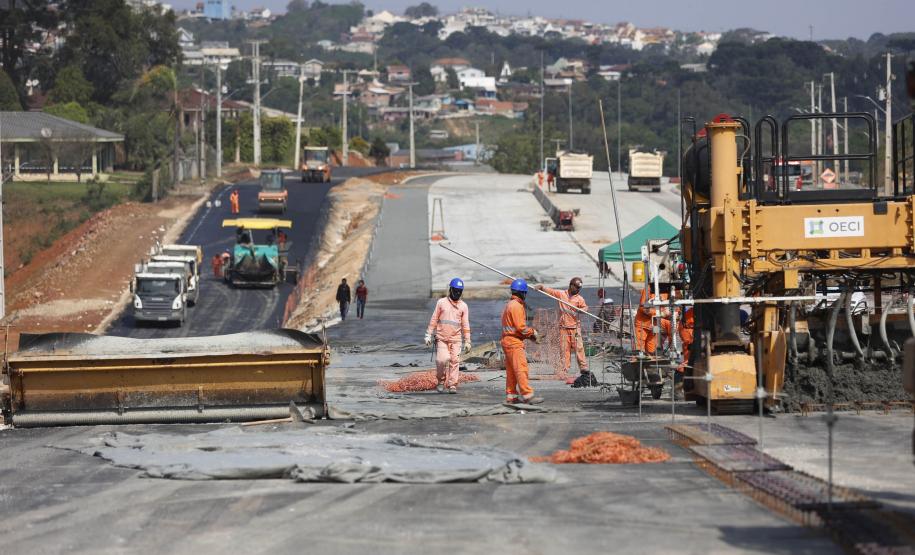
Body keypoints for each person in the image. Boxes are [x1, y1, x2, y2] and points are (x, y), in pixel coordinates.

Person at [535, 278, 593, 383]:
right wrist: (542, 287)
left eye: (579, 288)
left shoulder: (579, 299)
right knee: (564, 350)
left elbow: (585, 308)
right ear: (571, 285)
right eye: (576, 287)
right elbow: (551, 291)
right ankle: (564, 370)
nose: (578, 290)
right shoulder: (561, 294)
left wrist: (582, 310)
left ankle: (583, 368)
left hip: (575, 328)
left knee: (579, 347)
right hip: (563, 328)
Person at [425, 278, 471, 394]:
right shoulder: (441, 303)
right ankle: (441, 381)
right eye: (455, 290)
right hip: (442, 338)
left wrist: (467, 341)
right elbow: (434, 318)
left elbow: (465, 324)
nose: (457, 293)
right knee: (441, 360)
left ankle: (452, 385)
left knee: (455, 360)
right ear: (450, 289)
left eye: (459, 291)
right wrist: (428, 334)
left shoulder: (463, 306)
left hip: (456, 339)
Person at [501, 279, 543, 404]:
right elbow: (520, 327)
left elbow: (513, 328)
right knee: (521, 369)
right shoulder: (516, 306)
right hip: (513, 343)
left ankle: (511, 396)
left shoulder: (509, 305)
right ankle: (527, 395)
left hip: (507, 340)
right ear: (523, 293)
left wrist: (529, 337)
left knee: (512, 371)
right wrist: (533, 332)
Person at [635, 286, 671, 355]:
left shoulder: (666, 290)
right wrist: (659, 313)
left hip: (655, 325)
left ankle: (651, 362)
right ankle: (638, 363)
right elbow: (643, 307)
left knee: (652, 350)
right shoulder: (648, 289)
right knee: (639, 350)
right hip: (643, 324)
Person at [676, 307, 694, 399]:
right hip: (688, 329)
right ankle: (678, 387)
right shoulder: (702, 310)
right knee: (690, 360)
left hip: (690, 328)